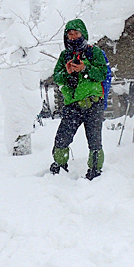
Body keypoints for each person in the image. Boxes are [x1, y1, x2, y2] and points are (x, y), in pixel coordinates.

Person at [50, 19, 108, 180]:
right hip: (72, 105)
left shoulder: (93, 52)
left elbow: (102, 74)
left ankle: (95, 170)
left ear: (83, 34)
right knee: (62, 138)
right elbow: (57, 77)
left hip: (93, 103)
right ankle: (60, 165)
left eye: (76, 33)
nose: (73, 37)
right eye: (70, 34)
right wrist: (67, 72)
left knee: (94, 140)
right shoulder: (64, 56)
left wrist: (85, 68)